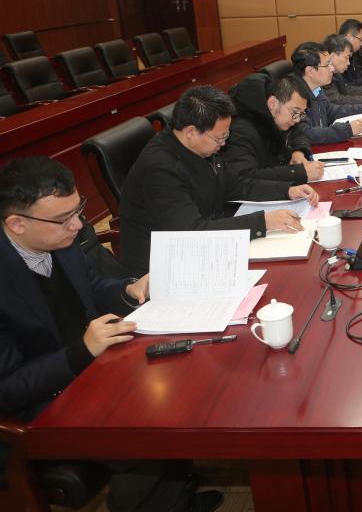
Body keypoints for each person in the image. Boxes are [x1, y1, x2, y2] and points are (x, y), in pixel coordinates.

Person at [0, 156, 223, 512]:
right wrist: (81, 351)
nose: (78, 225)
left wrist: (129, 290)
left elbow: (91, 286)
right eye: (63, 219)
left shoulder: (60, 240)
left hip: (95, 367)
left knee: (185, 383)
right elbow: (8, 389)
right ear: (17, 223)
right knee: (149, 435)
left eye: (79, 210)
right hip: (43, 404)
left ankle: (173, 500)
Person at [118, 85, 318, 274]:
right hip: (161, 268)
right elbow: (191, 232)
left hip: (204, 244)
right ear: (191, 131)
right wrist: (263, 222)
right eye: (219, 138)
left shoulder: (200, 147)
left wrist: (287, 190)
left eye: (226, 136)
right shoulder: (159, 169)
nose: (223, 144)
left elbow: (236, 184)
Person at [223, 74, 322, 185]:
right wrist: (298, 173)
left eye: (301, 114)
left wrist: (298, 151)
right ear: (273, 103)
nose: (297, 119)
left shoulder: (279, 118)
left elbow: (298, 133)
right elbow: (244, 177)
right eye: (295, 112)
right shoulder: (241, 131)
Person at [291, 43, 362, 145]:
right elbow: (307, 134)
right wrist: (347, 130)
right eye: (327, 65)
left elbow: (330, 110)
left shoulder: (316, 88)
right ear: (310, 71)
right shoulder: (293, 96)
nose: (332, 69)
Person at [322, 33, 362, 108]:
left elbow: (347, 90)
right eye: (346, 57)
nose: (348, 63)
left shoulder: (336, 73)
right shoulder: (323, 74)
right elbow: (339, 100)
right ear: (333, 56)